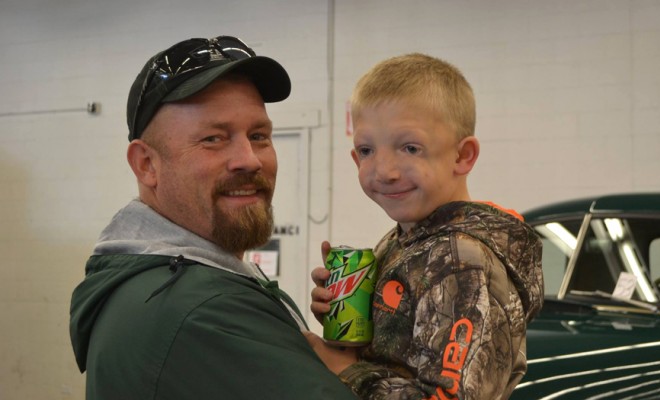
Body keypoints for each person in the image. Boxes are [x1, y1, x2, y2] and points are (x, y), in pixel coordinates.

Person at [69, 35, 357, 400]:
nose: (250, 159)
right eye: (213, 139)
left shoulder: (156, 278)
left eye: (259, 135)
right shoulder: (202, 310)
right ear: (147, 164)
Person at [306, 53, 545, 399]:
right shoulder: (406, 240)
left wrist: (348, 371)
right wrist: (349, 328)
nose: (384, 170)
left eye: (410, 148)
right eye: (367, 150)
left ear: (462, 156)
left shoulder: (462, 261)